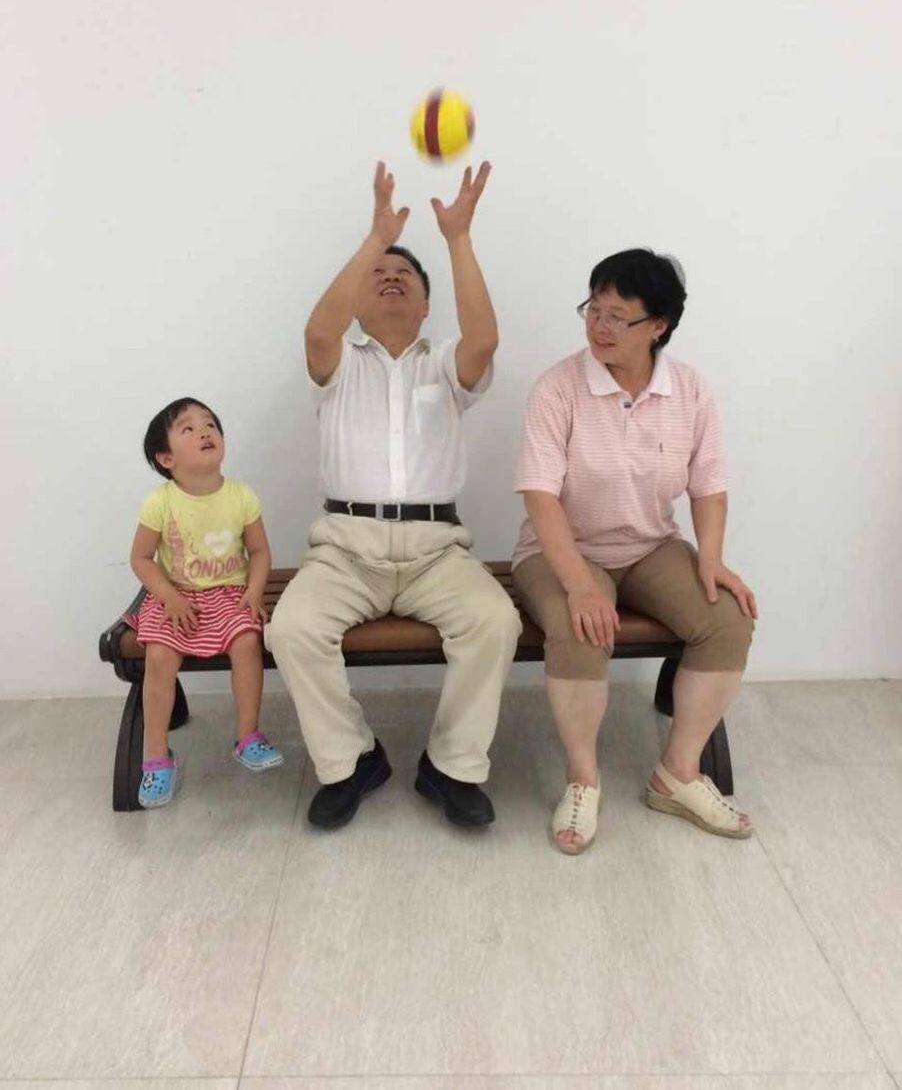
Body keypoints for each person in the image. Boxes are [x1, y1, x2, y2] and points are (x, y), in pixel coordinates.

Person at [267, 162, 521, 831]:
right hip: (345, 549)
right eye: (379, 273)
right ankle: (352, 758)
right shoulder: (338, 364)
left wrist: (458, 237)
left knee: (495, 622)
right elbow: (316, 333)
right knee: (292, 628)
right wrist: (377, 234)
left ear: (426, 302)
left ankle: (452, 765)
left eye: (405, 274)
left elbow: (485, 339)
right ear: (358, 295)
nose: (390, 276)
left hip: (438, 551)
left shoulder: (446, 364)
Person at [512, 249, 757, 854]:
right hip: (561, 548)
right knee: (582, 624)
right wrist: (580, 584)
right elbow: (540, 498)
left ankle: (677, 772)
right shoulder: (557, 388)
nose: (599, 326)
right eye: (592, 309)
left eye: (618, 316)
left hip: (650, 544)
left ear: (659, 326)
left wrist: (710, 558)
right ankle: (582, 779)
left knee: (726, 619)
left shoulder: (690, 390)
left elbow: (709, 484)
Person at [126, 397, 283, 808]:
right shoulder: (160, 502)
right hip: (175, 596)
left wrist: (253, 591)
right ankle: (157, 757)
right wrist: (170, 597)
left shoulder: (241, 496)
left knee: (247, 643)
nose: (204, 432)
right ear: (165, 457)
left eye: (210, 424)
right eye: (188, 428)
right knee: (159, 657)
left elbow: (261, 552)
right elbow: (140, 558)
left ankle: (247, 735)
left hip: (230, 593)